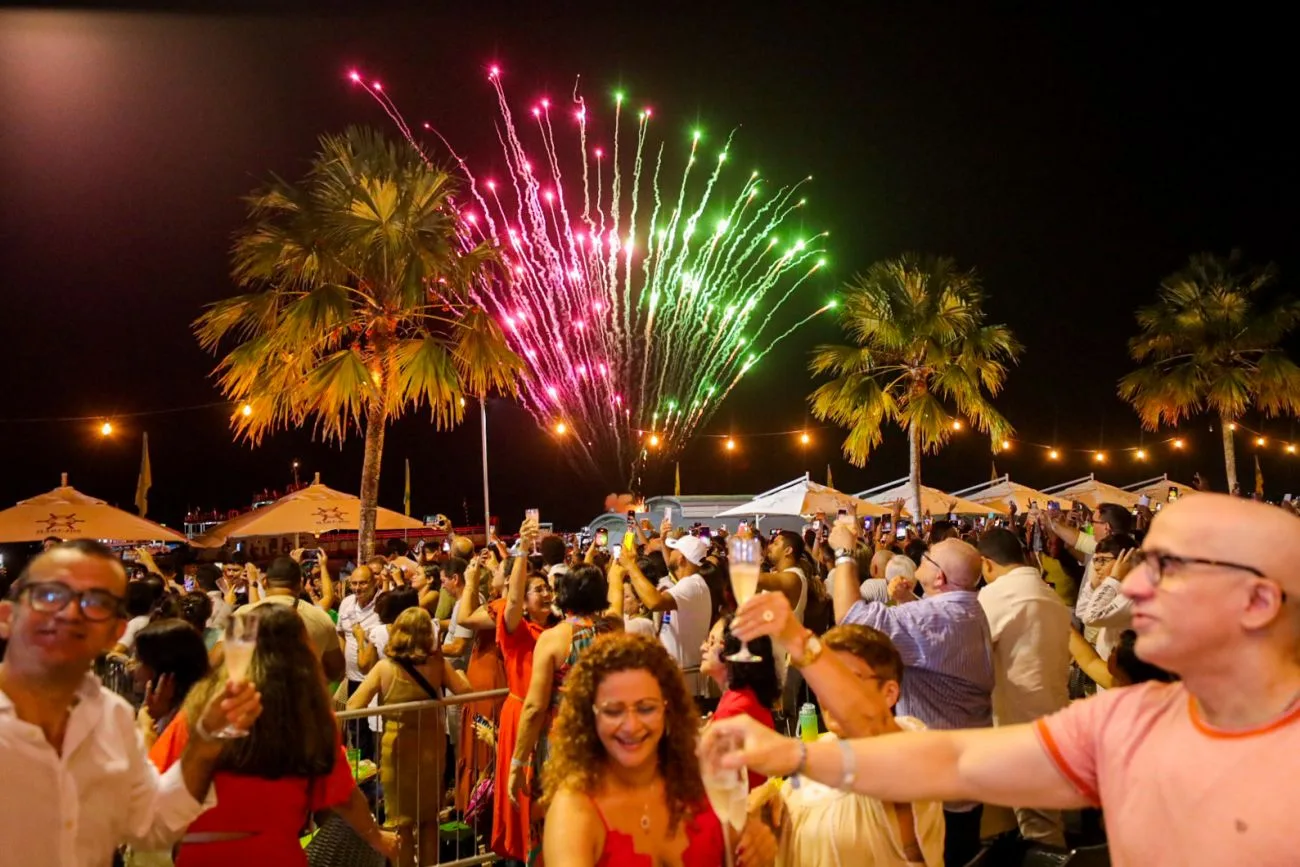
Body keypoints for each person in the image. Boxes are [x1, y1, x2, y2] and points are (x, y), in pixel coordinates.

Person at [708, 493, 1300, 866]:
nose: (1134, 585)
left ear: (1257, 600)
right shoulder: (1132, 718)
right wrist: (792, 750)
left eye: (1164, 566)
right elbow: (950, 762)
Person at [0, 540, 260, 867]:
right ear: (8, 616)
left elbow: (151, 824)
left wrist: (204, 743)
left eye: (96, 603)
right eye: (51, 596)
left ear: (115, 630)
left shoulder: (113, 714)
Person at [153, 605, 396, 866]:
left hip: (201, 856)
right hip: (276, 855)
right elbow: (343, 795)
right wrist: (376, 837)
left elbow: (157, 789)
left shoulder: (201, 710)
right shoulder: (308, 719)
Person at [728, 594, 945, 866]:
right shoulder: (820, 747)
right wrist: (768, 808)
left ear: (889, 693)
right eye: (822, 681)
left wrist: (795, 636)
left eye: (846, 680)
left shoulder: (911, 742)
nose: (828, 694)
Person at [831, 524, 993, 865]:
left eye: (928, 557)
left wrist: (844, 554)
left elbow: (851, 623)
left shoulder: (942, 617)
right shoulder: (965, 607)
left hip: (938, 786)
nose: (921, 557)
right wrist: (911, 601)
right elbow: (934, 638)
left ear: (940, 578)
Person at [541, 632, 775, 867]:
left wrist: (759, 850)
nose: (632, 726)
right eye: (613, 711)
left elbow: (742, 847)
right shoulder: (574, 811)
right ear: (589, 717)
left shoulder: (702, 779)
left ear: (667, 709)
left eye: (646, 708)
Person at [510, 563, 619, 863]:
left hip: (565, 743)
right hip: (610, 741)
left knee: (564, 822)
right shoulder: (615, 629)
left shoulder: (554, 639)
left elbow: (533, 708)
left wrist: (517, 761)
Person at [348, 607, 471, 867]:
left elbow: (352, 705)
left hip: (397, 750)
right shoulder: (438, 664)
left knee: (400, 823)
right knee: (429, 820)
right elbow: (465, 692)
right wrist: (459, 673)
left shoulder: (385, 668)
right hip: (432, 750)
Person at [977, 527, 1071, 847]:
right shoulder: (1048, 594)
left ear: (986, 563)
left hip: (1021, 722)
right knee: (1040, 816)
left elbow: (969, 653)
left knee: (1040, 827)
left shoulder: (996, 596)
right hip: (1053, 715)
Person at [492, 518, 557, 862]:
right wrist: (520, 552)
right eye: (539, 590)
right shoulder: (517, 630)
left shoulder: (557, 630)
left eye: (548, 588)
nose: (545, 594)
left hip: (551, 721)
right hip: (521, 717)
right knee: (523, 794)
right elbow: (513, 598)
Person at [625, 533, 712, 695]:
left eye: (674, 550)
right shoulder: (691, 584)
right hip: (680, 680)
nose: (670, 552)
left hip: (684, 684)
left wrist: (631, 566)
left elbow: (654, 602)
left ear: (681, 559)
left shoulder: (692, 584)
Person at [698, 613, 778, 789]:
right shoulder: (742, 697)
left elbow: (706, 776)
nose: (703, 647)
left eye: (712, 642)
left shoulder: (735, 709)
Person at [236, 556, 344, 683]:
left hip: (255, 697)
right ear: (300, 584)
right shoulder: (320, 617)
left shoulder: (243, 614)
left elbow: (218, 660)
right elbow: (336, 669)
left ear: (264, 582)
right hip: (303, 697)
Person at [133, 618, 212, 747]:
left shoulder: (190, 724)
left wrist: (145, 726)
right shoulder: (165, 712)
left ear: (165, 674)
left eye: (140, 661)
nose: (134, 669)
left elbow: (151, 765)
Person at [337, 564, 382, 757]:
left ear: (375, 583)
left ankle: (378, 775)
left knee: (377, 730)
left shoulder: (383, 603)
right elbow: (340, 632)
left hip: (377, 680)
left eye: (363, 583)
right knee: (357, 731)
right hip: (353, 679)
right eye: (354, 583)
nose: (357, 588)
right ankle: (363, 777)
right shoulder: (346, 603)